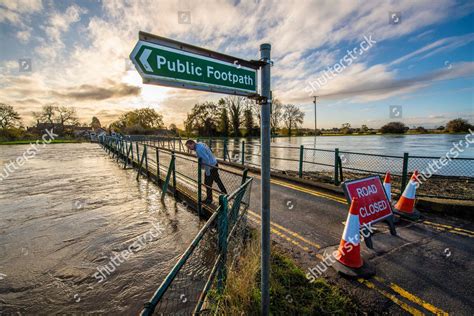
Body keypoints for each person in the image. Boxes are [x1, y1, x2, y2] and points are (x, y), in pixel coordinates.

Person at [185, 139, 227, 204]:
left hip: (210, 166)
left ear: (193, 143)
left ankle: (209, 199)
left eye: (189, 147)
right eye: (188, 147)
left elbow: (207, 160)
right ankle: (225, 194)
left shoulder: (199, 149)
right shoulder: (200, 144)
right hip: (214, 163)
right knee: (217, 180)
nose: (189, 149)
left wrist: (207, 173)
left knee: (207, 183)